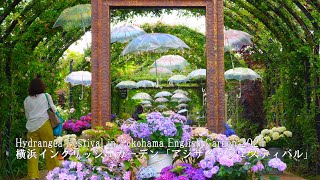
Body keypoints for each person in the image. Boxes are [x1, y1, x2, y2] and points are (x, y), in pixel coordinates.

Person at [24, 77, 58, 180]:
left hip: (31, 127)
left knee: (32, 152)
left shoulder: (26, 100)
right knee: (49, 150)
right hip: (44, 125)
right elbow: (54, 109)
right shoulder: (46, 96)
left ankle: (33, 176)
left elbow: (27, 116)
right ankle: (53, 174)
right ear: (42, 86)